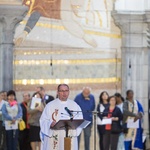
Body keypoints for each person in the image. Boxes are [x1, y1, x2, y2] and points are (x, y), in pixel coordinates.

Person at [40, 84, 83, 150]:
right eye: (62, 91)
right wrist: (49, 124)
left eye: (66, 91)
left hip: (69, 134)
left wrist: (75, 124)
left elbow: (79, 119)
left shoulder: (74, 105)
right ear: (57, 92)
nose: (64, 93)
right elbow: (43, 120)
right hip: (55, 135)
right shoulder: (50, 105)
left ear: (69, 92)